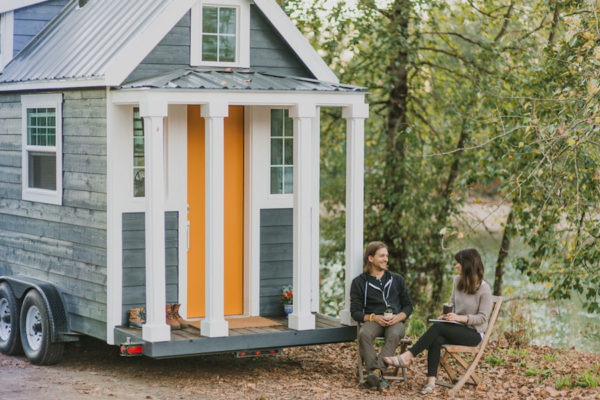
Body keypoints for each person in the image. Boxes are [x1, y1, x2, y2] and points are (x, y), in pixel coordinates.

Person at [384, 248, 492, 395]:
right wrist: (446, 316)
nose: (456, 266)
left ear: (467, 265)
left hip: (474, 333)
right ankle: (431, 382)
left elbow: (483, 318)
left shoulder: (484, 289)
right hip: (455, 327)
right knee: (436, 338)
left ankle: (408, 356)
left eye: (458, 263)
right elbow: (452, 304)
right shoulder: (457, 281)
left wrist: (460, 318)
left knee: (437, 329)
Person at [350, 241, 413, 391]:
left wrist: (399, 317)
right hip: (375, 320)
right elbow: (356, 312)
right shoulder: (359, 283)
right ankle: (378, 375)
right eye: (382, 256)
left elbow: (408, 306)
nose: (386, 259)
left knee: (394, 334)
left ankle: (375, 372)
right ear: (370, 258)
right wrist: (374, 317)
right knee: (364, 333)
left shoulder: (397, 279)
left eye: (387, 256)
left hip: (395, 321)